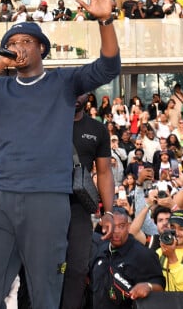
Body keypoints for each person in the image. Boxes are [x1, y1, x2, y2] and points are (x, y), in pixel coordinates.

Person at [0, 0, 120, 308]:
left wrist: (105, 21)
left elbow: (108, 68)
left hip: (47, 198)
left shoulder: (63, 82)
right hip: (0, 196)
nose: (18, 48)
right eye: (12, 44)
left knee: (45, 287)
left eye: (25, 42)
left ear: (41, 47)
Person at [61, 94, 115, 309]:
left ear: (88, 95)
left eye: (80, 91)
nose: (74, 95)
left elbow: (104, 172)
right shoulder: (46, 122)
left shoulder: (98, 129)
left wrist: (108, 212)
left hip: (79, 209)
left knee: (77, 268)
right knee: (49, 266)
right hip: (45, 206)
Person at [89, 207, 165, 307]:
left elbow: (160, 285)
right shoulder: (100, 249)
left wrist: (149, 286)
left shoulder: (144, 255)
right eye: (113, 226)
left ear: (128, 226)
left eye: (121, 226)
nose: (116, 231)